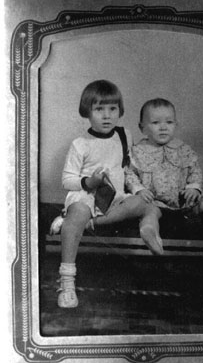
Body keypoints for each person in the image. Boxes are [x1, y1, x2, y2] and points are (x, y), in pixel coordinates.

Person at [55, 80, 162, 308]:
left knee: (146, 205)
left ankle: (88, 223)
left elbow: (128, 168)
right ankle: (67, 282)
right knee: (78, 214)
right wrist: (89, 181)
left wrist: (137, 189)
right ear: (87, 111)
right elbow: (67, 180)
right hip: (87, 195)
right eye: (99, 109)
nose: (107, 116)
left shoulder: (124, 135)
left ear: (119, 111)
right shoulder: (81, 144)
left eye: (112, 109)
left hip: (114, 198)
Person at [125, 97, 203, 248]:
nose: (163, 127)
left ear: (176, 125)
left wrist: (193, 187)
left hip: (183, 202)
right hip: (155, 202)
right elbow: (129, 174)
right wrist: (139, 189)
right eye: (155, 123)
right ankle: (150, 233)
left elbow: (195, 170)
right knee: (149, 212)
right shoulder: (137, 152)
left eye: (169, 122)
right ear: (142, 128)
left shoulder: (182, 149)